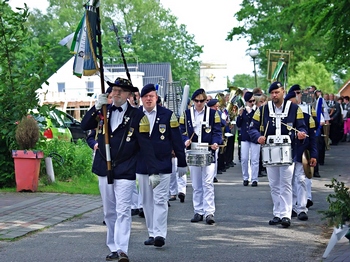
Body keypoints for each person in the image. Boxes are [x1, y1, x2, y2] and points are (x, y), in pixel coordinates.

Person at [81, 77, 159, 262]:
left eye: (121, 91)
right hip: (103, 165)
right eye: (114, 90)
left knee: (123, 210)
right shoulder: (103, 111)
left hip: (126, 167)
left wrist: (153, 170)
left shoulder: (137, 116)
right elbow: (84, 126)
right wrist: (95, 108)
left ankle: (122, 249)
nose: (116, 93)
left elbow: (146, 145)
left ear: (129, 95)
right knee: (109, 211)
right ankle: (113, 246)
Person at [248, 81, 307, 228]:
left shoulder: (294, 108)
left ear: (283, 91)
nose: (274, 95)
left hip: (288, 151)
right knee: (274, 184)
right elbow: (252, 128)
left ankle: (286, 215)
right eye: (272, 93)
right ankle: (278, 213)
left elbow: (302, 127)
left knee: (286, 183)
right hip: (270, 151)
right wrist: (258, 137)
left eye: (277, 92)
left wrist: (301, 134)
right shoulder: (263, 109)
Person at [136, 84, 187, 248]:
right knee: (147, 200)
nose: (148, 99)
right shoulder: (135, 116)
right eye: (145, 96)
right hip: (143, 165)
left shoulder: (168, 115)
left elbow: (177, 140)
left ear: (156, 97)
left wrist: (182, 162)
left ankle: (159, 234)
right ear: (141, 99)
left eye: (151, 96)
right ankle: (151, 232)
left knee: (160, 200)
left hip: (162, 164)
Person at [179, 88, 222, 225]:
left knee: (208, 183)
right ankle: (198, 211)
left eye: (201, 101)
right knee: (197, 184)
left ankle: (209, 212)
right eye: (196, 101)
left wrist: (216, 142)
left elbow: (216, 131)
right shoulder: (186, 114)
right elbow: (181, 131)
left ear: (205, 101)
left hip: (208, 151)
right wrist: (185, 139)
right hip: (193, 151)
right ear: (193, 101)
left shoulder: (213, 113)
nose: (199, 103)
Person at [284, 85, 317, 221]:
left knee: (301, 180)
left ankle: (302, 208)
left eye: (293, 101)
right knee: (288, 181)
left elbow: (313, 139)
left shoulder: (307, 117)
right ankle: (291, 207)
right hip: (287, 154)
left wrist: (314, 154)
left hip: (301, 153)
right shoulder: (283, 118)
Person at [236, 91, 260, 187]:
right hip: (245, 137)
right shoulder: (243, 110)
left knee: (255, 159)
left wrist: (250, 113)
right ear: (246, 101)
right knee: (244, 159)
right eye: (250, 101)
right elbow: (238, 124)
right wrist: (240, 115)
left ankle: (254, 179)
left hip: (255, 137)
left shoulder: (257, 110)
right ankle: (245, 177)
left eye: (254, 101)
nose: (252, 103)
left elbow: (254, 122)